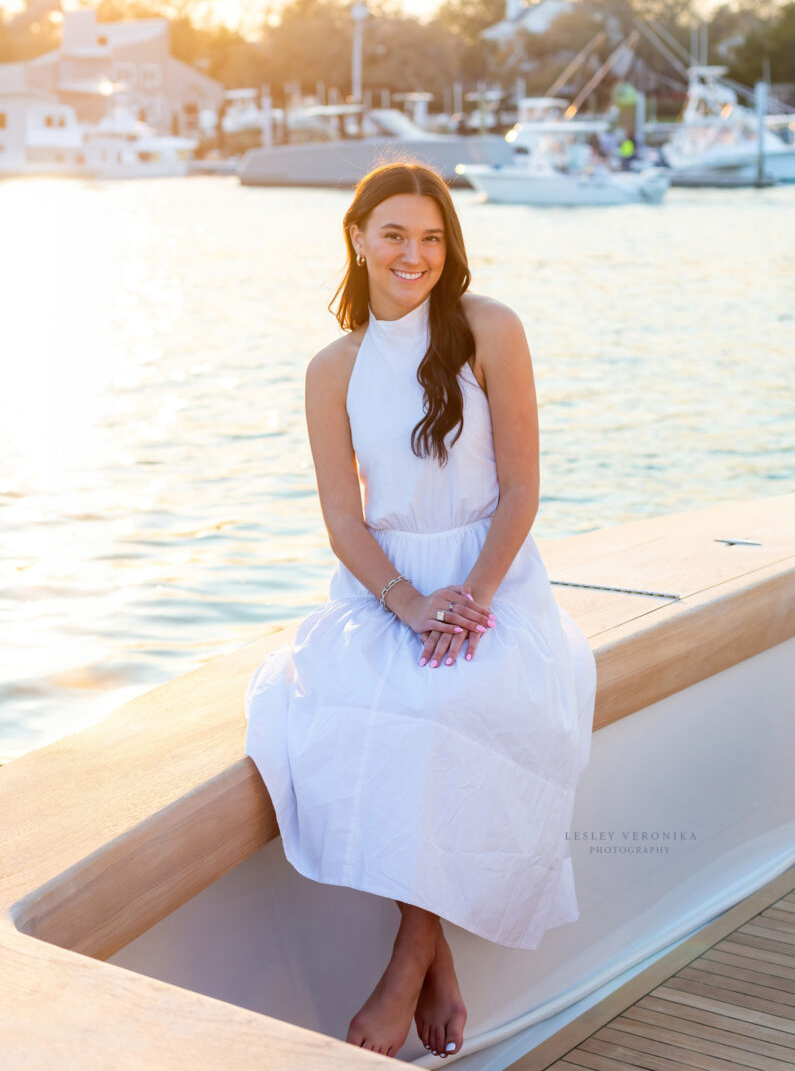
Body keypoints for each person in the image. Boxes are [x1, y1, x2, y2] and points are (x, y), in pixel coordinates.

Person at [244, 161, 597, 1061]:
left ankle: (408, 957)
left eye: (432, 237)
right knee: (342, 713)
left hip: (490, 579)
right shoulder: (334, 368)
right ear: (357, 238)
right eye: (395, 235)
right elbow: (340, 519)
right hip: (386, 586)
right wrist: (405, 603)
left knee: (445, 708)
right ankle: (437, 962)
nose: (415, 254)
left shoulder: (488, 327)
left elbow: (522, 488)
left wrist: (468, 601)